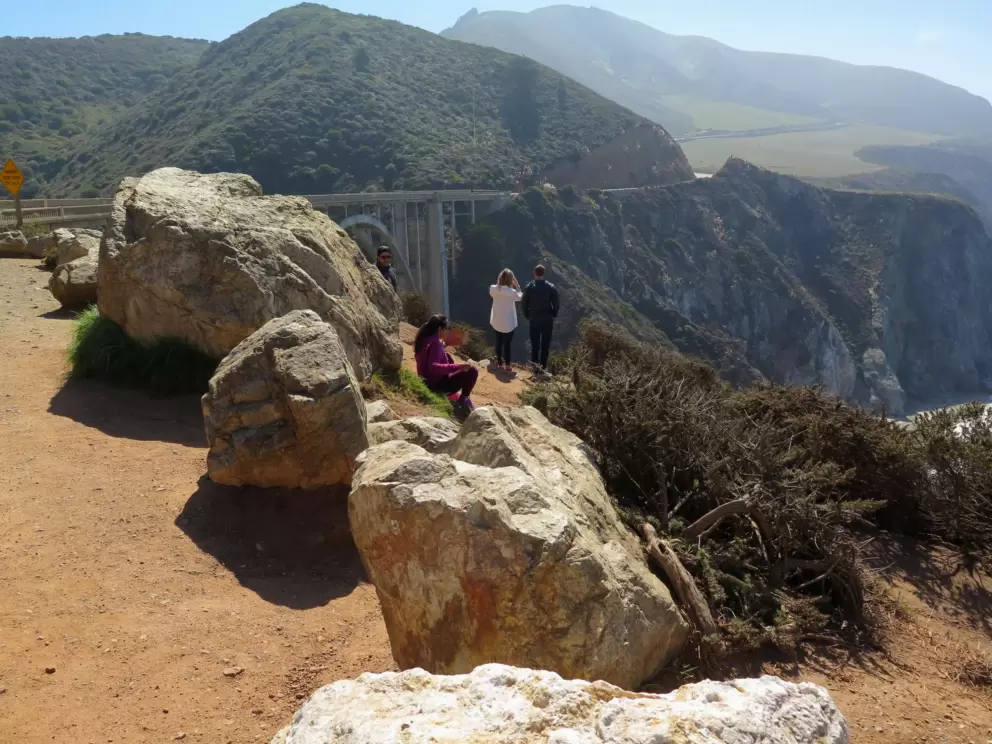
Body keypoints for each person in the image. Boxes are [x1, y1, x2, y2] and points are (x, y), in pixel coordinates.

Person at [414, 314, 478, 411]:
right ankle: (463, 400)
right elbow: (434, 367)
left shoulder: (425, 339)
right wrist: (459, 366)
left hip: (426, 381)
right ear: (440, 329)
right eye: (447, 328)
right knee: (472, 371)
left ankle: (455, 396)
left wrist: (443, 349)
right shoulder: (435, 343)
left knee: (448, 356)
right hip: (435, 385)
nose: (448, 331)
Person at [522, 264, 559, 372]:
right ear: (544, 273)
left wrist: (527, 315)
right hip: (547, 319)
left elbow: (524, 303)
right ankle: (543, 367)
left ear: (534, 273)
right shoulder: (551, 287)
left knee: (535, 344)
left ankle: (534, 367)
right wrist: (553, 314)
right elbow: (556, 303)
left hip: (534, 319)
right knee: (545, 344)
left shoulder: (529, 287)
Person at [489, 268, 523, 373]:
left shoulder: (493, 288)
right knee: (507, 344)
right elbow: (520, 297)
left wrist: (499, 282)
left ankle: (500, 363)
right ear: (511, 280)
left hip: (497, 321)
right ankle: (508, 365)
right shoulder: (512, 292)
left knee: (498, 342)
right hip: (508, 324)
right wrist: (518, 286)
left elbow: (495, 289)